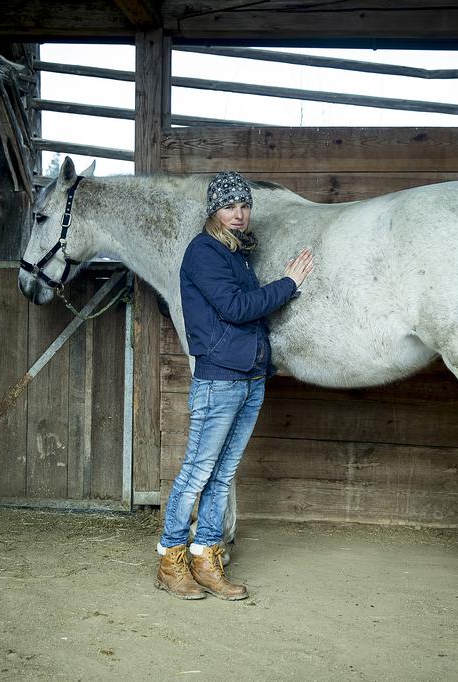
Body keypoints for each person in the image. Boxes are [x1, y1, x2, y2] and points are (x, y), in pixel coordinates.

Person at [156, 171, 314, 600]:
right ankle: (171, 560)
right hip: (220, 379)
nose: (239, 214)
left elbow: (248, 310)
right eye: (230, 206)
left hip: (249, 377)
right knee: (197, 472)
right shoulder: (204, 252)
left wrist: (281, 294)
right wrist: (288, 284)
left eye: (244, 206)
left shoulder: (237, 254)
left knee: (223, 475)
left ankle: (206, 556)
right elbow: (236, 308)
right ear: (214, 210)